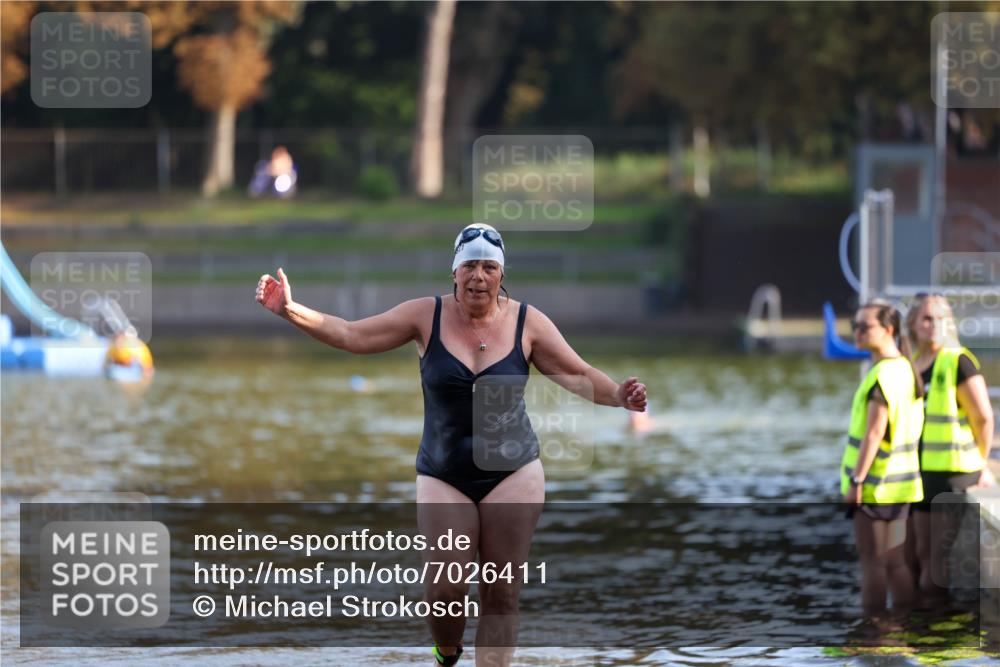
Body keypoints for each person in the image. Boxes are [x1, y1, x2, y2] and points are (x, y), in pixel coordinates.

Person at [255, 223, 647, 666]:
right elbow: (351, 334)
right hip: (444, 474)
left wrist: (618, 395)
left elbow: (577, 372)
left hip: (514, 473)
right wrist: (290, 310)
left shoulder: (527, 322)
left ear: (502, 274)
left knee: (501, 592)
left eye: (489, 267)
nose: (479, 276)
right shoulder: (427, 316)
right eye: (470, 266)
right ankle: (447, 652)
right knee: (444, 593)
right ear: (454, 272)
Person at [906, 294, 994, 600]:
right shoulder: (912, 364)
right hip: (920, 470)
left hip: (952, 471)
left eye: (942, 318)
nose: (935, 326)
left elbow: (983, 418)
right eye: (928, 319)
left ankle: (934, 632)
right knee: (917, 554)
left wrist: (981, 464)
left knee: (935, 560)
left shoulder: (958, 361)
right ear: (913, 324)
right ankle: (917, 626)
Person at [840, 300, 924, 615]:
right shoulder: (905, 367)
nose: (857, 332)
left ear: (888, 330)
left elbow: (875, 433)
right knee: (896, 562)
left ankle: (872, 636)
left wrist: (857, 481)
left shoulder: (882, 376)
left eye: (865, 326)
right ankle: (905, 626)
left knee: (873, 565)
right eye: (855, 326)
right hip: (902, 486)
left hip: (875, 487)